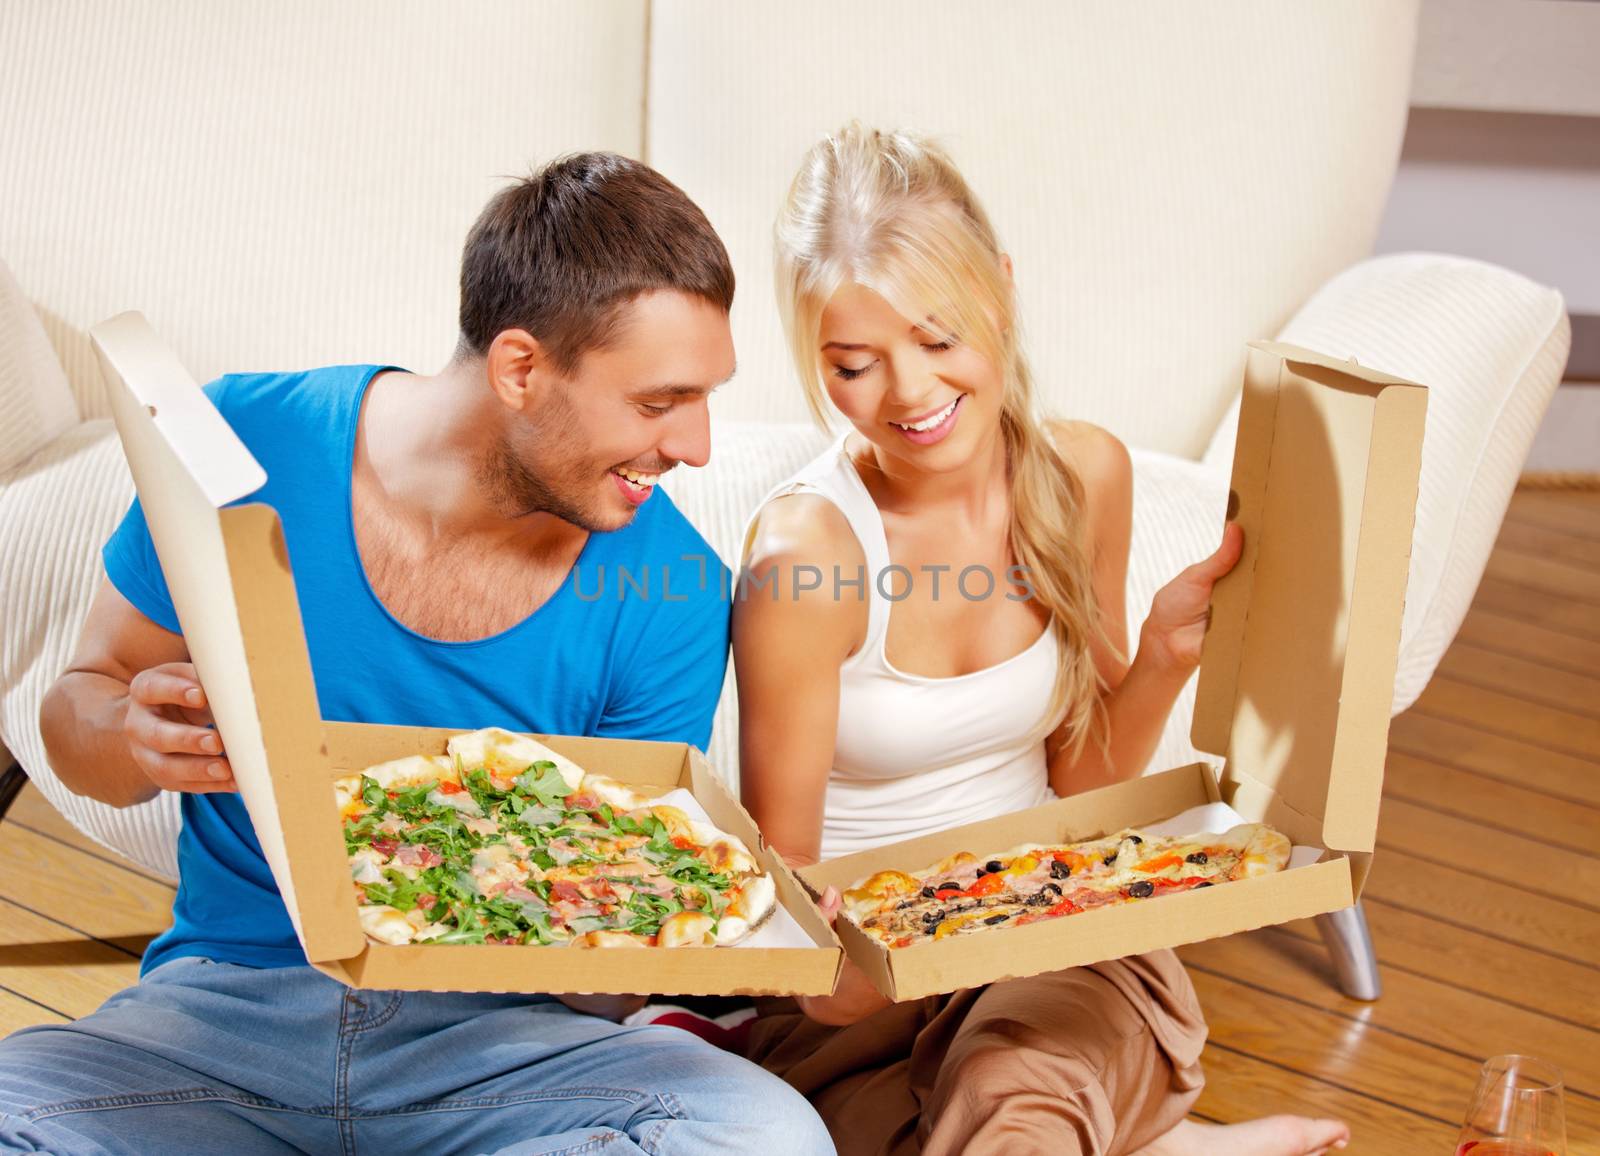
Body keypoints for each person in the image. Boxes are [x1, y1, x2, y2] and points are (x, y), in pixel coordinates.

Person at [8, 153, 835, 1156]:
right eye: (659, 403)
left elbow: (597, 976)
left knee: (762, 1136)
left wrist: (673, 911)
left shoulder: (673, 592)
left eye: (705, 399)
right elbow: (79, 707)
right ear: (520, 367)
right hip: (222, 1020)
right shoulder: (243, 441)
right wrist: (131, 731)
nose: (696, 445)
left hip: (503, 1050)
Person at [733, 125, 1351, 1156]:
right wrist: (836, 976)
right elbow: (784, 884)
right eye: (855, 364)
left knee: (1020, 1091)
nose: (911, 395)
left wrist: (1159, 655)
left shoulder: (1081, 477)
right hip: (861, 994)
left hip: (1050, 939)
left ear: (1002, 294)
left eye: (939, 338)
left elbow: (1080, 778)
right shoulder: (806, 555)